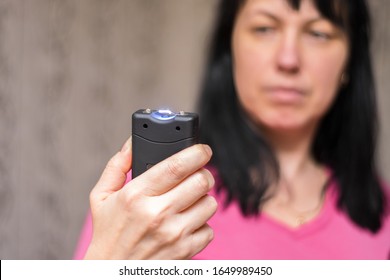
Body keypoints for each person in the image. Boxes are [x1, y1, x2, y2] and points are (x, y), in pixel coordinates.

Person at [74, 0, 390, 259]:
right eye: (264, 28)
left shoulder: (383, 210)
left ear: (350, 62)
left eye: (318, 33)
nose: (288, 59)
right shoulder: (148, 197)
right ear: (230, 49)